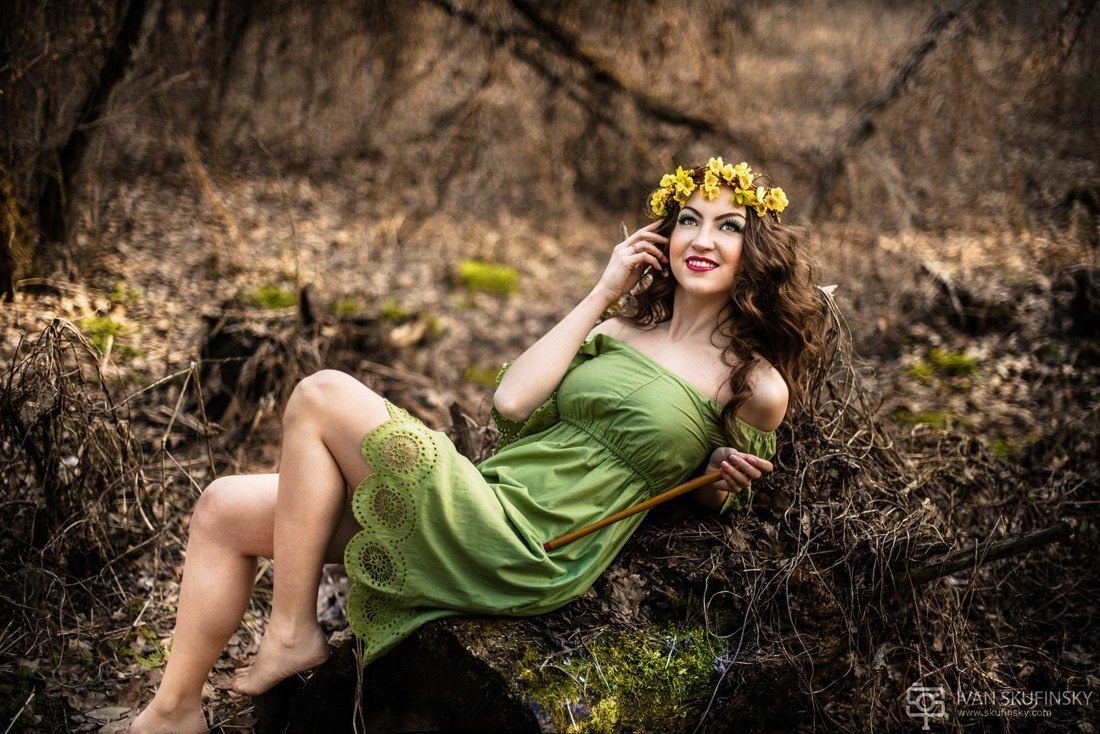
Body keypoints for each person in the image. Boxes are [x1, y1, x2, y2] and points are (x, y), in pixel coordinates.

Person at [129, 156, 823, 733]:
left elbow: (715, 503)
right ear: (661, 239)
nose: (702, 239)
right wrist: (603, 291)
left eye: (728, 226)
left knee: (320, 393)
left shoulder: (754, 382)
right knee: (222, 508)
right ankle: (173, 711)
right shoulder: (617, 333)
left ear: (752, 250)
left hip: (535, 545)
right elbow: (513, 400)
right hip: (484, 497)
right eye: (688, 221)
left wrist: (714, 474)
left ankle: (289, 634)